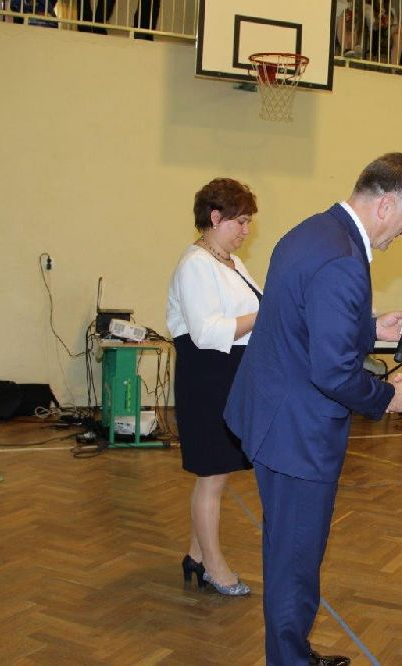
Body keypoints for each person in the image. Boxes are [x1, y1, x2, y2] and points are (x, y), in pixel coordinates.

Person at [223, 153, 402, 666]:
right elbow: (333, 372)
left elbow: (300, 318)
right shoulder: (343, 259)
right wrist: (388, 396)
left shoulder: (311, 232)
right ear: (386, 205)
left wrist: (369, 327)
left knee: (287, 554)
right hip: (297, 432)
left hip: (273, 413)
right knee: (294, 563)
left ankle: (291, 652)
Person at [166, 178, 262, 596]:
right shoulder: (195, 265)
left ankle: (196, 555)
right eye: (240, 222)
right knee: (212, 476)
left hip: (230, 376)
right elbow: (206, 332)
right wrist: (265, 315)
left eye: (249, 222)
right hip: (207, 378)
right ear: (215, 217)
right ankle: (215, 567)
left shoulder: (232, 263)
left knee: (217, 475)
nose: (246, 230)